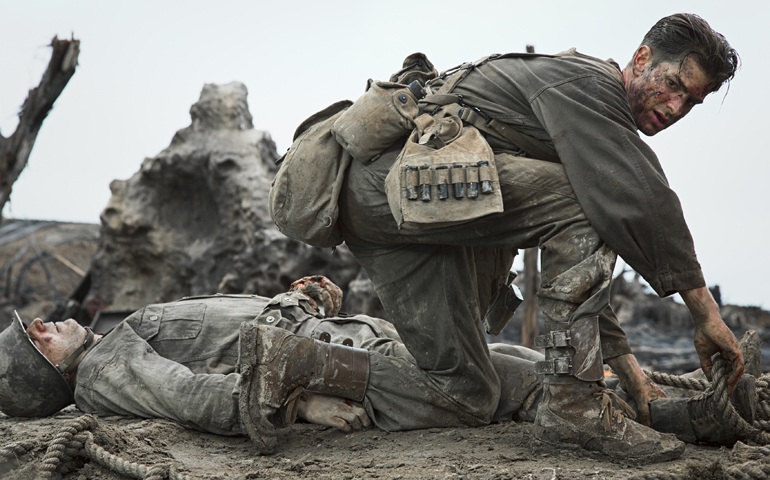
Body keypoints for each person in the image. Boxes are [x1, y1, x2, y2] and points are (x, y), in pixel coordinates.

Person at [328, 13, 744, 461]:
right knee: (587, 201)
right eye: (676, 85)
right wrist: (706, 316)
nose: (677, 108)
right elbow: (643, 201)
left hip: (404, 202)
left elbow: (581, 261)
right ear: (642, 59)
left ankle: (297, 361)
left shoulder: (584, 116)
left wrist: (630, 372)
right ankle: (572, 408)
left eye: (692, 102)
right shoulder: (590, 84)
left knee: (465, 392)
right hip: (390, 185)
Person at [0, 276, 756, 454]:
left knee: (519, 360)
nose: (45, 321)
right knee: (525, 384)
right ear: (49, 374)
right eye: (36, 337)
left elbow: (236, 343)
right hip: (341, 372)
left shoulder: (119, 337)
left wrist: (305, 300)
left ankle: (681, 394)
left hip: (350, 349)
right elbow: (209, 401)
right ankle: (684, 417)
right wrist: (295, 333)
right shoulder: (107, 372)